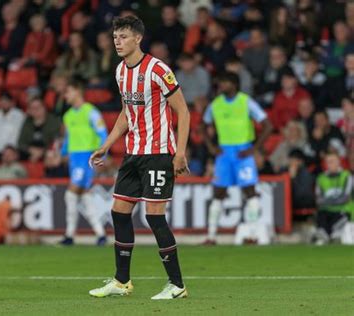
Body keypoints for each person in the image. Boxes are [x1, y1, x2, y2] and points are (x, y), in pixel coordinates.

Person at [88, 16, 190, 300]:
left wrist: (179, 152)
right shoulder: (121, 71)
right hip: (133, 153)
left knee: (154, 217)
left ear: (137, 39)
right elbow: (126, 113)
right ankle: (122, 281)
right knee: (119, 211)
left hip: (158, 153)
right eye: (115, 37)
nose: (117, 41)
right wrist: (107, 145)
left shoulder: (158, 69)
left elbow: (183, 110)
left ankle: (177, 285)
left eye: (122, 36)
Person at [202, 71, 273, 245]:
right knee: (218, 193)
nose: (221, 86)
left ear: (234, 84)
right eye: (220, 83)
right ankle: (211, 236)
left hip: (243, 151)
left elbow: (268, 125)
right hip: (224, 153)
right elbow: (203, 126)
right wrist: (211, 146)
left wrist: (254, 149)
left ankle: (253, 235)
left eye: (224, 83)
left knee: (250, 191)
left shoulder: (246, 101)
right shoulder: (215, 105)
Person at [59, 79, 108, 246]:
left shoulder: (91, 112)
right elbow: (68, 138)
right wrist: (63, 153)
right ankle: (100, 234)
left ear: (77, 92)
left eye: (68, 92)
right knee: (84, 194)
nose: (65, 96)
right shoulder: (68, 115)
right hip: (74, 158)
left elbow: (103, 134)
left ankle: (69, 235)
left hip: (87, 157)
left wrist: (103, 155)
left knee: (70, 194)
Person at [312, 152, 354, 245]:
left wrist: (328, 201)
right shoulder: (321, 178)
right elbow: (318, 200)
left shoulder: (347, 176)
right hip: (325, 211)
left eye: (332, 161)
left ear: (339, 162)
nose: (330, 164)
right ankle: (326, 236)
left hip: (343, 210)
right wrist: (335, 201)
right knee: (320, 214)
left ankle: (330, 235)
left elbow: (346, 197)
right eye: (328, 162)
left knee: (338, 218)